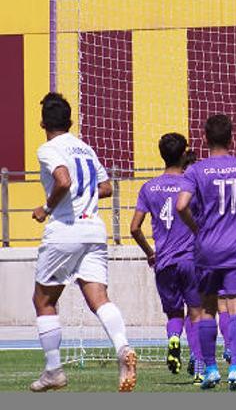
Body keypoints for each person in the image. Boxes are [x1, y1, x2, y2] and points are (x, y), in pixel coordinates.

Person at [29, 92, 137, 392]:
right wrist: (83, 194)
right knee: (99, 298)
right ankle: (122, 348)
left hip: (66, 230)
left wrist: (46, 208)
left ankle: (53, 370)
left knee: (44, 300)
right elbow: (105, 187)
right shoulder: (85, 149)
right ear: (71, 121)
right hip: (94, 231)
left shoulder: (49, 148)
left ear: (42, 123)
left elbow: (63, 180)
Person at [176, 114, 236, 390]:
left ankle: (209, 369)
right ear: (232, 138)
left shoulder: (196, 171)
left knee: (207, 309)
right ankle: (234, 368)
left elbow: (182, 205)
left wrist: (198, 228)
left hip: (207, 249)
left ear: (205, 138)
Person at [130, 133, 204, 384]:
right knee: (196, 313)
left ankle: (174, 338)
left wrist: (150, 253)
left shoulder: (149, 187)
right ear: (184, 154)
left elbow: (134, 228)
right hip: (190, 260)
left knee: (174, 313)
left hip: (164, 262)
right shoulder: (191, 184)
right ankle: (199, 366)